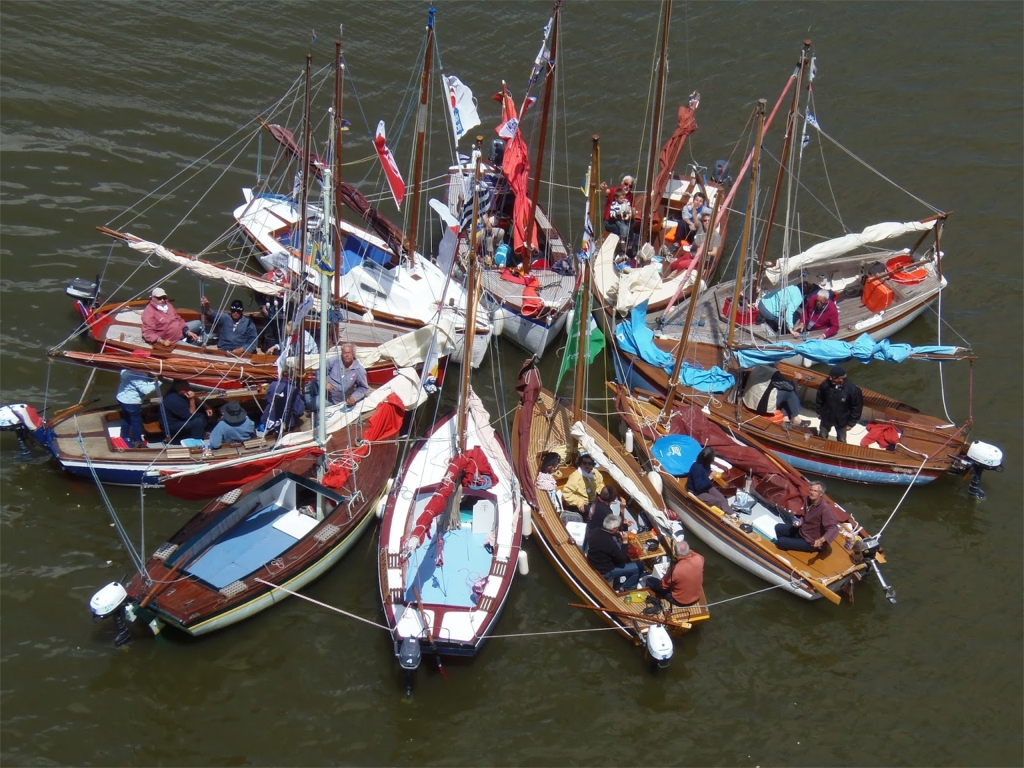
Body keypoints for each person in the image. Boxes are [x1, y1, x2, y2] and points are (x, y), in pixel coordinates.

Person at [774, 481, 839, 552]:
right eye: (811, 490)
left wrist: (821, 540)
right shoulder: (808, 500)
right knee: (778, 527)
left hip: (810, 541)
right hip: (802, 531)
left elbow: (834, 528)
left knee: (781, 541)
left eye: (815, 491)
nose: (812, 492)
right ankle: (789, 546)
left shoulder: (824, 509)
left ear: (821, 494)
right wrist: (799, 522)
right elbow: (805, 517)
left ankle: (789, 549)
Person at [586, 514, 642, 592]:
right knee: (639, 567)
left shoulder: (595, 531)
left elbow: (610, 534)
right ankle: (627, 588)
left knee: (619, 546)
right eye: (618, 528)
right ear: (614, 529)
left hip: (593, 561)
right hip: (605, 571)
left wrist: (621, 533)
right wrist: (625, 542)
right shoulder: (610, 543)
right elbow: (622, 559)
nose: (619, 529)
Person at [644, 539, 705, 606]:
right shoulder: (699, 559)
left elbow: (663, 586)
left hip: (680, 601)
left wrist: (669, 569)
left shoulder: (676, 569)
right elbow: (692, 553)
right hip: (696, 597)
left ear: (676, 553)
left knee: (650, 580)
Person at [816, 365, 863, 442]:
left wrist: (851, 423)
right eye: (830, 376)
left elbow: (857, 407)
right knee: (822, 436)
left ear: (841, 378)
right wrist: (818, 411)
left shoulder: (853, 390)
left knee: (841, 440)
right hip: (826, 416)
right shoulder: (826, 384)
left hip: (842, 420)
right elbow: (819, 397)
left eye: (834, 377)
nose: (830, 379)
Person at [116, 369, 159, 447]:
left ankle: (123, 436)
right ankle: (138, 441)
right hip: (132, 402)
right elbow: (145, 390)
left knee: (126, 418)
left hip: (122, 398)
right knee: (136, 422)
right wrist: (157, 383)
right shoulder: (138, 375)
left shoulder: (125, 371)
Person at [686, 446, 733, 514]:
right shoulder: (697, 468)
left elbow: (706, 473)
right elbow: (698, 487)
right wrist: (710, 477)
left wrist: (711, 473)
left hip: (706, 487)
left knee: (723, 499)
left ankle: (729, 513)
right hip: (696, 492)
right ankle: (731, 515)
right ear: (707, 460)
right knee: (718, 502)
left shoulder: (706, 465)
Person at [259, 368, 305, 434]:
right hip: (286, 424)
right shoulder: (294, 389)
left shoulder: (272, 385)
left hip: (268, 421)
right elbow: (298, 411)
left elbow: (267, 400)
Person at [602, 175, 635, 245]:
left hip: (623, 220)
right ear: (622, 183)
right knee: (625, 230)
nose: (627, 187)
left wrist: (630, 214)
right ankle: (623, 245)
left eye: (630, 186)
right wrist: (603, 188)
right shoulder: (615, 191)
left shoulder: (631, 196)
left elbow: (633, 210)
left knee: (629, 229)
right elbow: (606, 192)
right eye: (626, 184)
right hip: (610, 221)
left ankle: (629, 244)